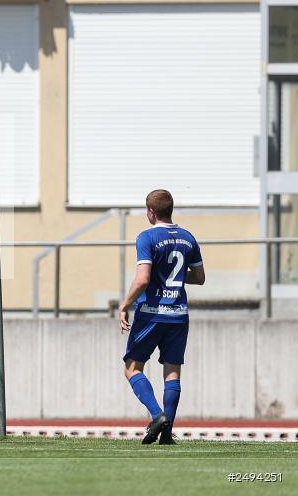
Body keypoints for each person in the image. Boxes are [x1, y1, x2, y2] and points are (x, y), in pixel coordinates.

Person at [118, 189, 204, 445]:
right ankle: (167, 434)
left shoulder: (147, 237)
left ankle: (157, 416)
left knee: (132, 368)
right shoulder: (189, 238)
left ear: (151, 212)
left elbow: (143, 278)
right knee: (172, 373)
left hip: (152, 313)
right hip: (179, 314)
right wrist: (173, 278)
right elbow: (199, 278)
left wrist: (125, 304)